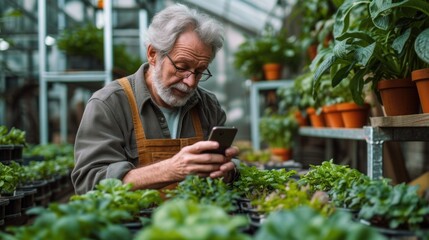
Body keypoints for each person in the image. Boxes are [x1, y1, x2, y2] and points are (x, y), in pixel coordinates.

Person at [71, 3, 239, 194]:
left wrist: (227, 172)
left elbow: (233, 170)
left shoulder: (208, 106)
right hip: (132, 223)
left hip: (196, 222)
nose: (190, 82)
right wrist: (169, 170)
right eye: (181, 66)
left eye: (200, 71)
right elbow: (88, 184)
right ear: (153, 54)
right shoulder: (109, 104)